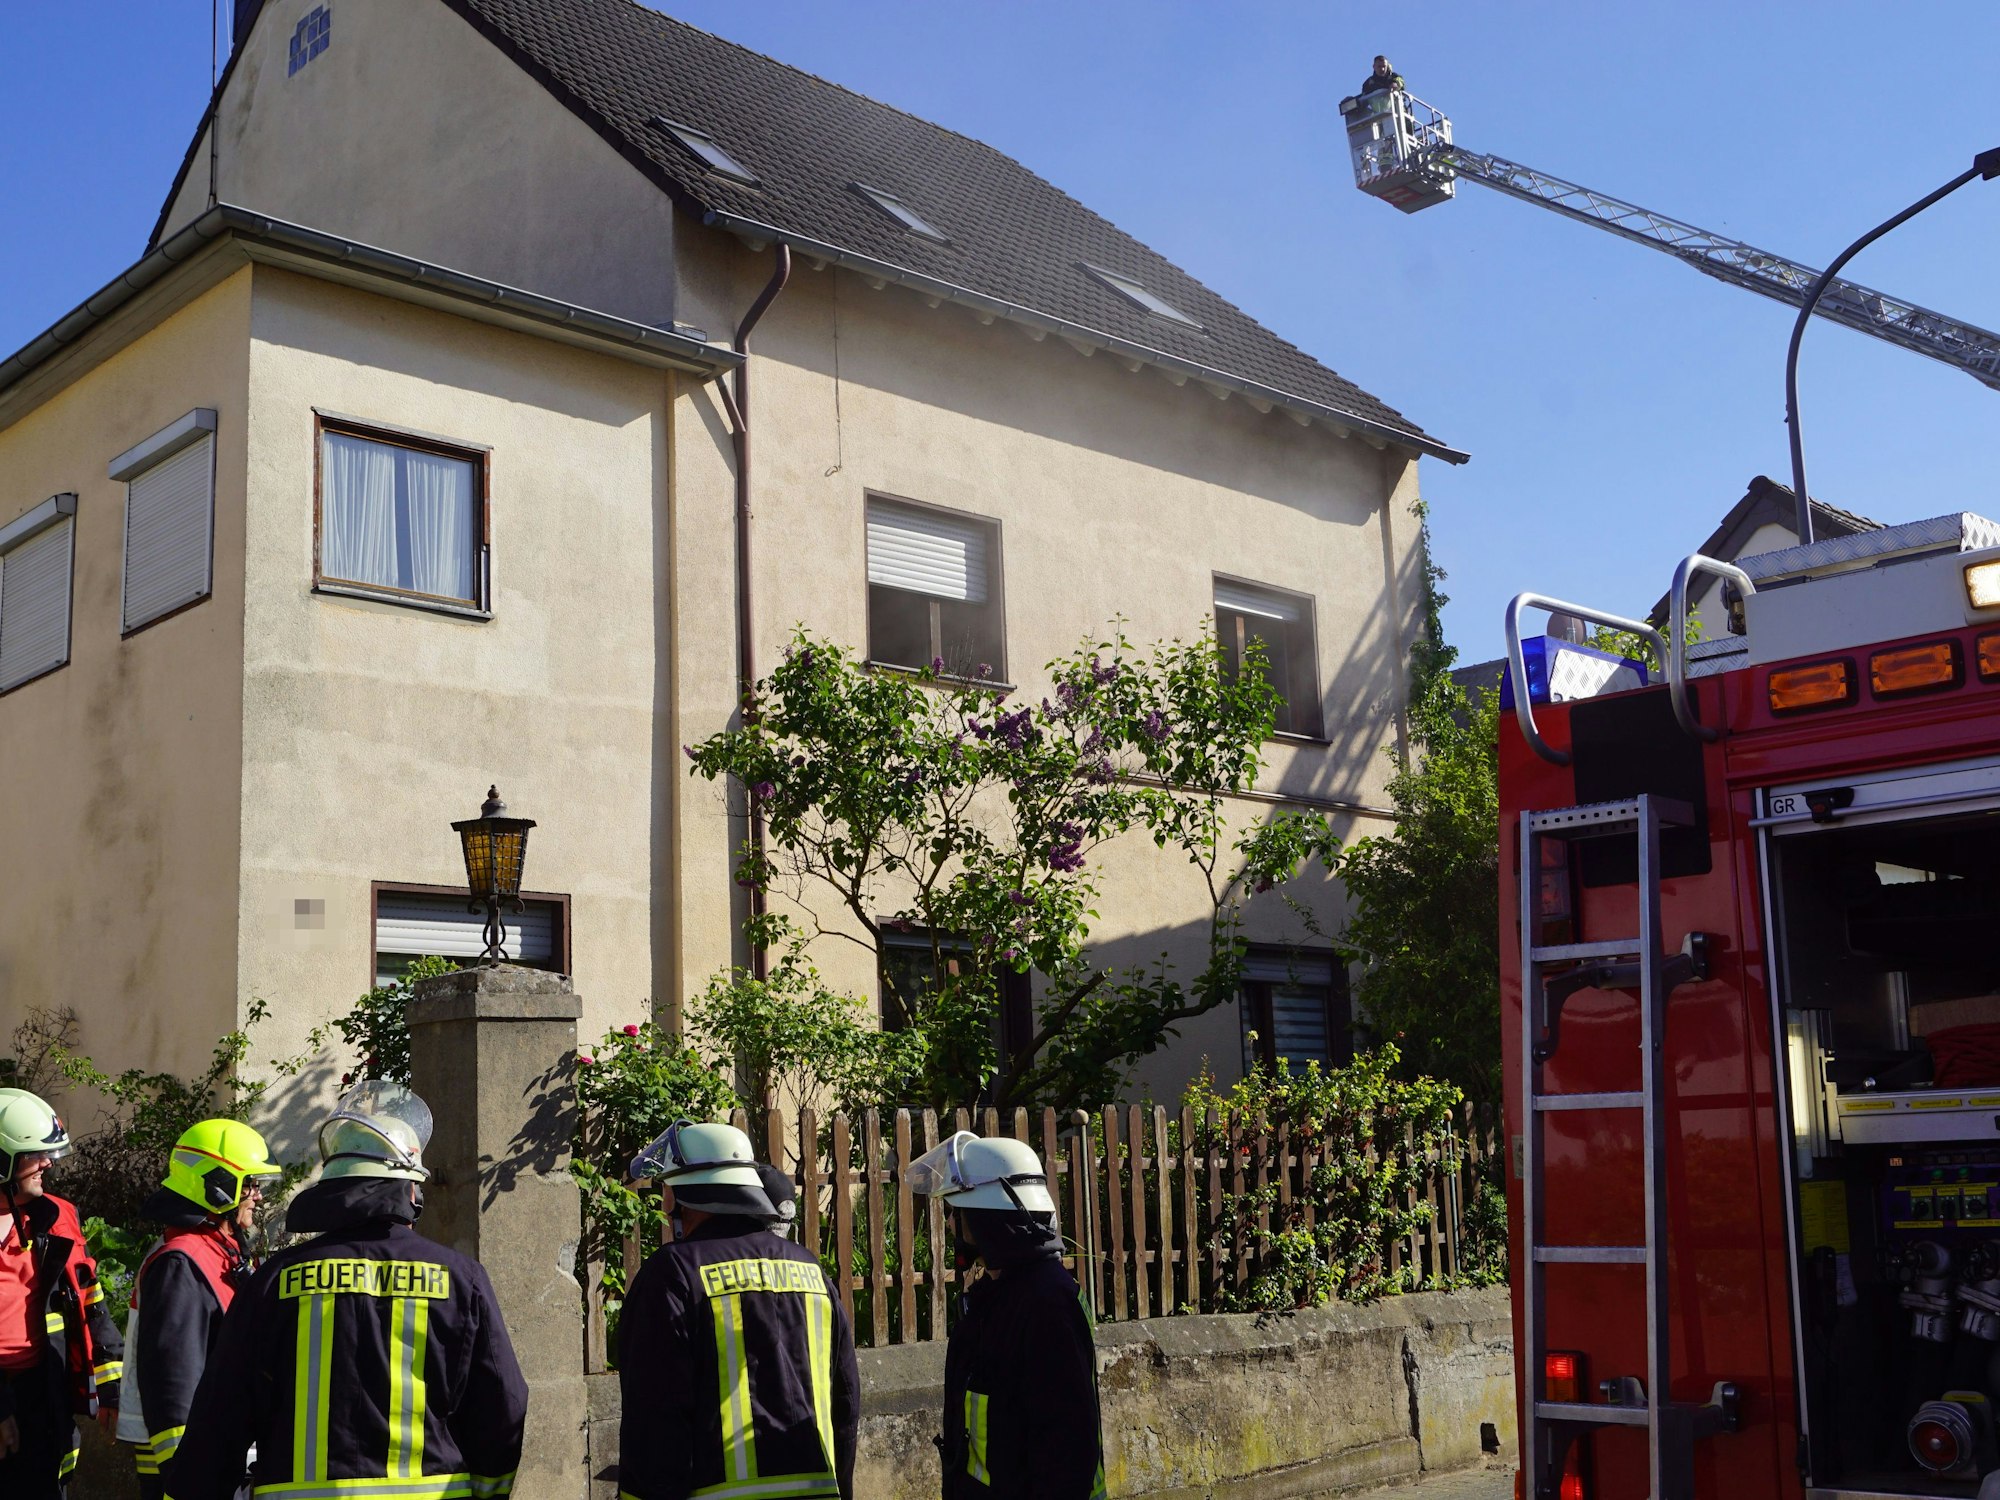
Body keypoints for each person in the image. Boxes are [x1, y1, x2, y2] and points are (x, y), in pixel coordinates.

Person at [165, 1082, 528, 1500]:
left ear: (332, 1190)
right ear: (411, 1192)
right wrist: (487, 1492)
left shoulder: (271, 1283)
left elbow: (220, 1415)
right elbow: (504, 1404)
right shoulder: (462, 1279)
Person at [618, 1121, 859, 1500]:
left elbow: (654, 1422)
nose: (666, 1209)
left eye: (667, 1191)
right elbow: (845, 1402)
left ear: (683, 1196)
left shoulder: (673, 1274)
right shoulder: (810, 1270)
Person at [907, 1131, 1106, 1500]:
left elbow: (1066, 1450)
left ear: (985, 1217)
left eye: (956, 1212)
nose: (951, 1225)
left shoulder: (1045, 1303)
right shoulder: (1003, 1294)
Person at [119, 1118, 281, 1500]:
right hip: (194, 1476)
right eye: (250, 1185)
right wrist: (190, 1477)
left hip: (221, 1464)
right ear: (218, 1187)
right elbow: (174, 1384)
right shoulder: (182, 1262)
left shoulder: (217, 1250)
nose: (257, 1196)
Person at [0, 1087, 123, 1499]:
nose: (47, 1164)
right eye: (35, 1154)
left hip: (42, 1388)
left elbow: (91, 1299)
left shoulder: (58, 1216)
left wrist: (111, 1384)